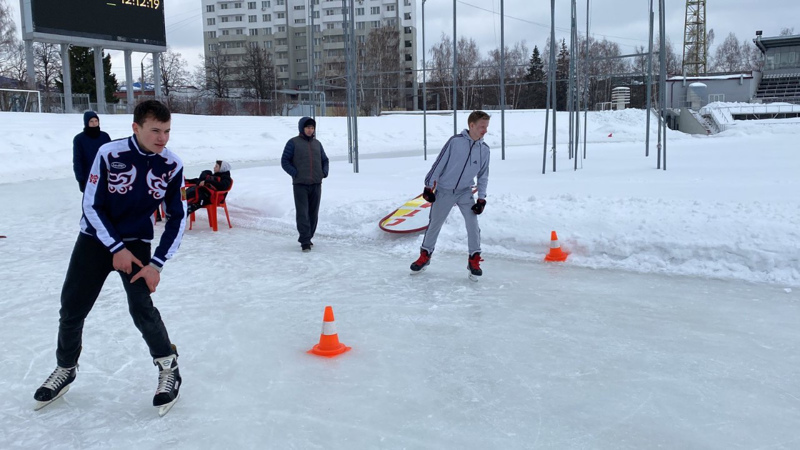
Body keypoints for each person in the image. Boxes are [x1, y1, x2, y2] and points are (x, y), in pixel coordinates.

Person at [34, 100, 186, 413]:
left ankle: (169, 368)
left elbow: (178, 217)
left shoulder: (172, 165)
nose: (162, 138)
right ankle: (66, 367)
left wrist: (156, 264)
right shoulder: (109, 154)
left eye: (167, 131)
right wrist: (116, 248)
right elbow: (91, 205)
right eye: (155, 130)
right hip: (94, 241)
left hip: (139, 244)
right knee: (72, 307)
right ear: (136, 128)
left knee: (142, 309)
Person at [410, 110, 491, 277]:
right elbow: (439, 164)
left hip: (465, 192)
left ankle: (474, 258)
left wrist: (481, 199)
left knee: (473, 225)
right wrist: (428, 186)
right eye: (482, 126)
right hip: (445, 190)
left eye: (487, 126)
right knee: (435, 224)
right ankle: (425, 255)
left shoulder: (485, 150)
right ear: (472, 125)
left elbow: (483, 176)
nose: (485, 130)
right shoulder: (455, 142)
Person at [281, 117, 329, 252]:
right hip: (300, 184)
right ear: (302, 128)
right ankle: (305, 240)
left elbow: (325, 160)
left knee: (313, 213)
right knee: (303, 213)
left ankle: (309, 236)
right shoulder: (293, 143)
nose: (310, 130)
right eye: (308, 127)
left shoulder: (317, 144)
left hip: (316, 183)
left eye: (312, 128)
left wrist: (323, 172)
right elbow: (285, 161)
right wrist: (294, 173)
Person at [73, 111, 112, 193]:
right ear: (86, 123)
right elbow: (77, 160)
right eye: (91, 121)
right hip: (88, 174)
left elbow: (110, 155)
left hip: (104, 174)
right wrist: (80, 179)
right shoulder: (79, 139)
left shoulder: (105, 136)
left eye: (96, 121)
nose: (94, 124)